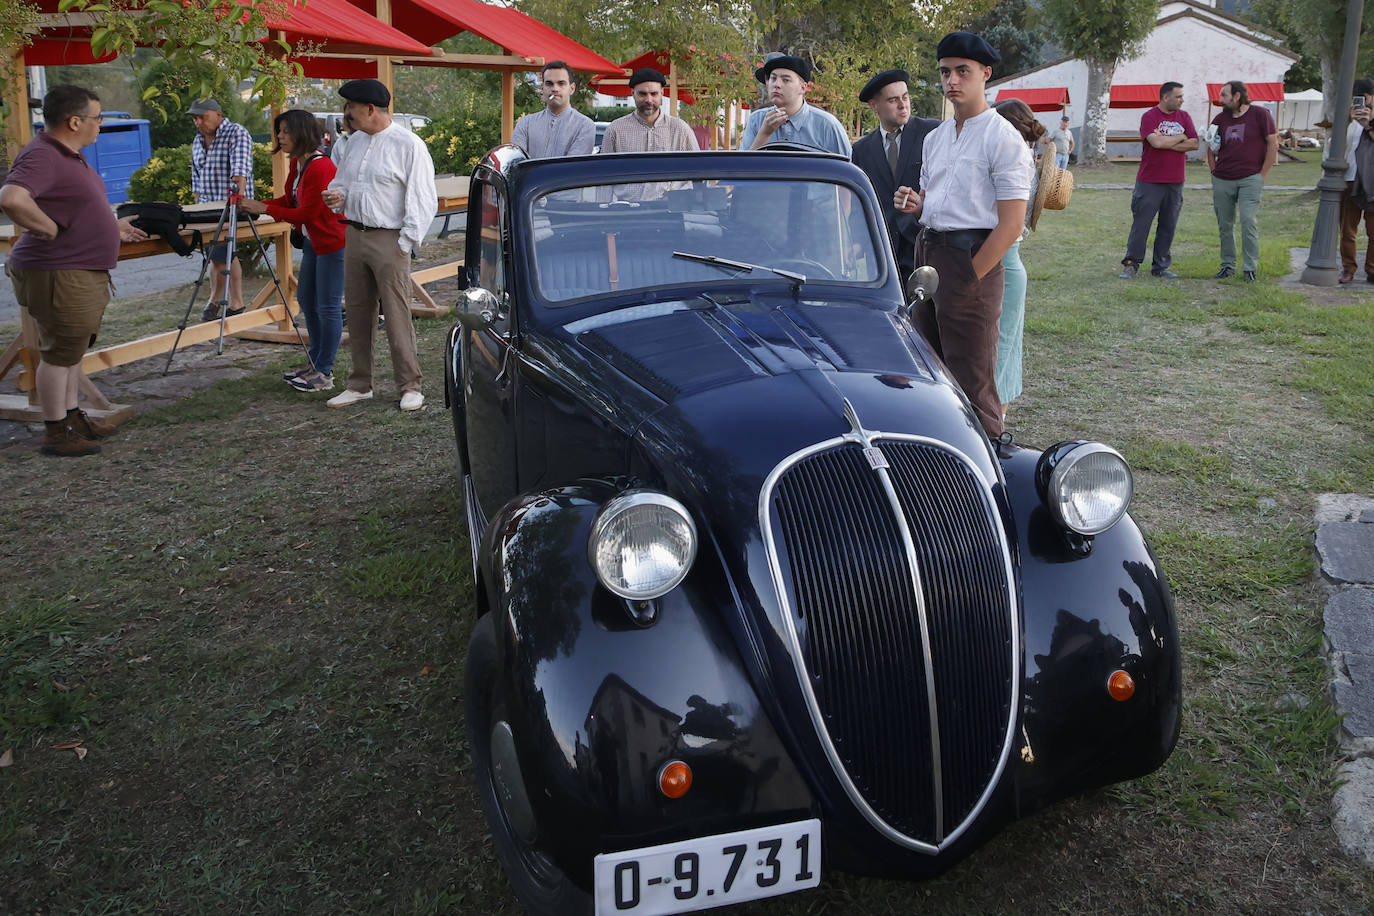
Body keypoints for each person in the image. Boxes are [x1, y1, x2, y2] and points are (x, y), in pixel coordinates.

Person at [894, 32, 1033, 439]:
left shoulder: (1003, 137)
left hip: (971, 258)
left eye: (962, 71)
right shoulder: (935, 138)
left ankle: (987, 462)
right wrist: (915, 204)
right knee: (929, 365)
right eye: (945, 72)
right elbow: (939, 205)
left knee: (973, 378)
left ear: (985, 74)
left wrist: (972, 275)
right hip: (929, 253)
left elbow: (1011, 223)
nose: (952, 80)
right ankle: (938, 451)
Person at [0, 84, 147, 456]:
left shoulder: (67, 154)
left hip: (74, 269)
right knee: (59, 353)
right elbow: (12, 198)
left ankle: (70, 418)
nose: (100, 125)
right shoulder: (44, 155)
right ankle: (56, 431)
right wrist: (47, 228)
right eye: (97, 118)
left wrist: (109, 227)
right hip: (58, 271)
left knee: (70, 351)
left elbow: (73, 206)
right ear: (74, 120)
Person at [321, 78, 437, 412]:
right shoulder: (354, 142)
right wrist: (337, 196)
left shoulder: (408, 145)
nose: (347, 114)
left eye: (351, 108)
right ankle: (360, 384)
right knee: (357, 311)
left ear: (370, 109)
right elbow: (342, 184)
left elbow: (423, 198)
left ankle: (410, 385)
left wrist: (406, 241)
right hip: (354, 235)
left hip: (390, 239)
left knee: (397, 312)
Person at [239, 109, 345, 393]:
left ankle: (324, 370)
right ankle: (316, 363)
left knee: (328, 306)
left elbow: (308, 212)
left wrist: (263, 209)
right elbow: (290, 199)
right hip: (313, 243)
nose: (280, 136)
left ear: (302, 133)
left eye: (286, 131)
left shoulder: (320, 166)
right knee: (308, 303)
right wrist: (254, 203)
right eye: (279, 131)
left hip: (333, 245)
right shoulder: (299, 165)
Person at [851, 68, 938, 279]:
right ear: (874, 105)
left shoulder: (933, 133)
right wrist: (856, 243)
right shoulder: (862, 150)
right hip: (883, 252)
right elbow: (858, 202)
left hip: (925, 245)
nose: (903, 105)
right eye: (893, 100)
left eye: (905, 97)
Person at [991, 98, 1046, 419]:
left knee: (1002, 350)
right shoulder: (1021, 157)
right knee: (1002, 349)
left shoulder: (1017, 162)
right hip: (1008, 260)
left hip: (1005, 260)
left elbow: (1008, 225)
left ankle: (995, 422)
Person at [1119, 82, 1198, 279]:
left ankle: (1160, 266)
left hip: (1175, 181)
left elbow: (1195, 143)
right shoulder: (1150, 116)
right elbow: (1155, 142)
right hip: (1150, 181)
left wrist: (1167, 142)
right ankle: (1131, 263)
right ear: (1165, 97)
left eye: (1182, 96)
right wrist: (1181, 137)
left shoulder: (1184, 116)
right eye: (1178, 96)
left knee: (1168, 224)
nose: (1182, 100)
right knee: (1142, 223)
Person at [188, 98, 254, 319]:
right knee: (212, 254)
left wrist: (235, 205)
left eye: (202, 117)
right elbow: (196, 179)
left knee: (223, 253)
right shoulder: (197, 140)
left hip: (232, 205)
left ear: (218, 114)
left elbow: (240, 172)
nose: (198, 122)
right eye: (195, 118)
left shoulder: (236, 133)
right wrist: (197, 208)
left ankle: (227, 301)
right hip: (207, 208)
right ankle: (225, 301)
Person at [1205, 80, 1278, 283]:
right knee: (1224, 224)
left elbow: (1273, 145)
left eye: (1224, 96)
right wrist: (1214, 171)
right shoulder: (1220, 119)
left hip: (1250, 179)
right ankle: (1227, 266)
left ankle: (1249, 268)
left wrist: (1261, 175)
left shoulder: (1260, 115)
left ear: (1237, 96)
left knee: (1248, 221)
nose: (1220, 100)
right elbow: (1210, 147)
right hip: (1223, 179)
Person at [598, 67, 700, 200]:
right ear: (632, 93)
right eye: (642, 94)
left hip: (671, 210)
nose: (649, 99)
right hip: (628, 210)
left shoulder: (680, 129)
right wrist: (601, 210)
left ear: (662, 93)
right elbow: (604, 175)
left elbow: (697, 170)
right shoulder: (615, 130)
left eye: (654, 93)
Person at [738, 54, 851, 156]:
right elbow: (740, 170)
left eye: (786, 80)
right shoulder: (756, 120)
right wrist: (764, 134)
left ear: (803, 88)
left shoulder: (827, 125)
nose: (776, 84)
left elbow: (848, 171)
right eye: (773, 78)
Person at [511, 61, 595, 158]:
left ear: (572, 88)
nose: (555, 88)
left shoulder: (584, 126)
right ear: (542, 88)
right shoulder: (525, 124)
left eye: (561, 83)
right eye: (549, 84)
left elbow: (572, 168)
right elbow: (517, 164)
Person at [1341, 78, 1374, 284]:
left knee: (1373, 229)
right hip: (1350, 178)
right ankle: (1348, 268)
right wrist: (1347, 120)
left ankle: (1372, 269)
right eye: (1357, 98)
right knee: (1347, 228)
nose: (1362, 102)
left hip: (1371, 180)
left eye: (1365, 97)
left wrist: (1369, 125)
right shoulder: (1347, 118)